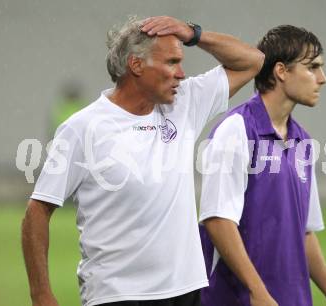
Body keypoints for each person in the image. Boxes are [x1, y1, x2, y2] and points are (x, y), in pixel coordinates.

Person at [21, 16, 264, 306]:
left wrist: (192, 33)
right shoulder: (83, 128)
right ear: (136, 65)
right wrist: (41, 294)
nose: (181, 74)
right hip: (118, 295)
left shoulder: (184, 103)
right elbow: (37, 211)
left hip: (186, 289)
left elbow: (253, 61)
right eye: (171, 62)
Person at [199, 25, 326, 306]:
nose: (322, 78)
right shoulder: (237, 130)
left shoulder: (303, 141)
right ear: (281, 71)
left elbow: (304, 232)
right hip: (238, 299)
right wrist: (258, 292)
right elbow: (218, 221)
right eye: (312, 67)